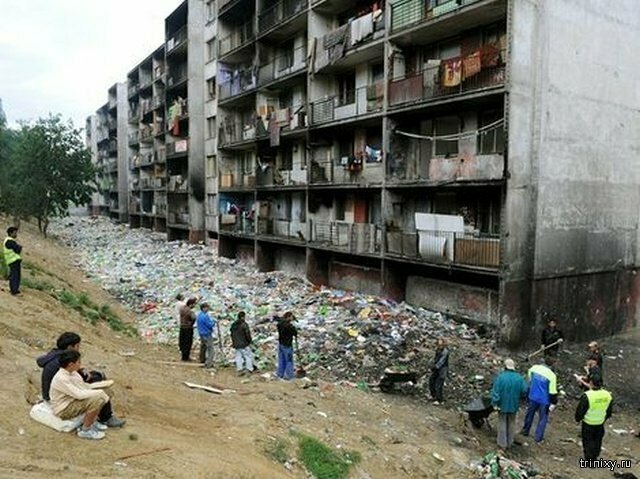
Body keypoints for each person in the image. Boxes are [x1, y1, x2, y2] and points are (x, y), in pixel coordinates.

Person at [37, 331, 125, 428]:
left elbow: (75, 375)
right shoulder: (62, 363)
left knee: (96, 381)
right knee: (96, 382)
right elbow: (78, 389)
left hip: (59, 390)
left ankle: (100, 414)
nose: (79, 349)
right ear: (70, 347)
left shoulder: (55, 355)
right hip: (60, 398)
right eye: (77, 346)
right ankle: (105, 418)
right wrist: (98, 392)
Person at [50, 350, 110, 440]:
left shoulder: (73, 373)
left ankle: (92, 421)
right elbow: (79, 394)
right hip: (64, 408)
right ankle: (85, 430)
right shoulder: (61, 378)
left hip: (73, 400)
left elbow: (84, 387)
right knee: (97, 399)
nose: (80, 364)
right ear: (70, 364)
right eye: (78, 362)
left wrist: (103, 386)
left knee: (106, 392)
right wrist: (99, 392)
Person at [491, 358, 528, 449]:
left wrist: (495, 403)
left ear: (505, 367)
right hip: (514, 404)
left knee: (502, 422)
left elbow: (496, 392)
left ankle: (502, 443)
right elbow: (525, 390)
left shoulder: (501, 377)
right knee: (512, 422)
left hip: (502, 404)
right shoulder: (519, 378)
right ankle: (510, 442)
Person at [575, 376, 613, 461]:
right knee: (597, 440)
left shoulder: (587, 395)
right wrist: (605, 418)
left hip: (588, 422)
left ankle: (589, 459)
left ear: (591, 383)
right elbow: (609, 410)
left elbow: (581, 409)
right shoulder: (607, 395)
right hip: (600, 422)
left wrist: (578, 418)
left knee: (587, 440)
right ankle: (595, 456)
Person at [522, 356, 558, 443]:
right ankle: (538, 437)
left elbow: (529, 381)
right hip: (544, 400)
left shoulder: (533, 368)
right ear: (552, 365)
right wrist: (553, 403)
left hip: (532, 396)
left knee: (529, 414)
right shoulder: (552, 376)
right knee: (543, 419)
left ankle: (525, 430)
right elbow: (552, 392)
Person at [276, 312, 297, 380]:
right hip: (287, 345)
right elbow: (295, 332)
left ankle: (280, 374)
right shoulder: (288, 326)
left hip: (281, 344)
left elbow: (279, 322)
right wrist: (293, 324)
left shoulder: (280, 324)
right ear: (289, 317)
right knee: (289, 360)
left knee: (281, 360)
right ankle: (289, 375)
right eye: (291, 317)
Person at [429, 338, 449, 404]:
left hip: (443, 369)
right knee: (431, 380)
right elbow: (435, 359)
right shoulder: (438, 350)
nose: (439, 346)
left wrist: (435, 366)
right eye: (438, 344)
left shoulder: (445, 351)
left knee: (439, 384)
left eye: (441, 345)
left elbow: (441, 361)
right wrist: (432, 364)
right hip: (437, 368)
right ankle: (433, 395)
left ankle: (439, 399)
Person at [3, 226, 22, 295]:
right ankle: (13, 291)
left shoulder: (11, 241)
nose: (16, 234)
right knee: (14, 276)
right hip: (12, 261)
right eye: (15, 233)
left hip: (14, 260)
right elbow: (18, 249)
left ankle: (15, 289)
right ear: (10, 233)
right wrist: (19, 247)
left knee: (17, 276)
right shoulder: (9, 241)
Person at [196, 303, 216, 369]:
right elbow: (210, 325)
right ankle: (209, 364)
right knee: (211, 349)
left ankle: (202, 359)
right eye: (207, 307)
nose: (208, 309)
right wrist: (214, 322)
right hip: (207, 334)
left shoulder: (199, 315)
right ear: (204, 308)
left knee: (203, 347)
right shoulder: (205, 316)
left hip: (201, 333)